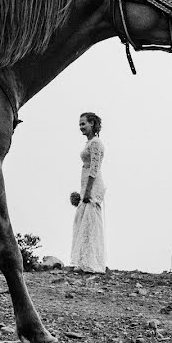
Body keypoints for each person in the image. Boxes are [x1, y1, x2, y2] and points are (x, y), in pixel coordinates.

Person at [70, 112, 106, 272]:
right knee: (83, 220)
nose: (81, 127)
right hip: (85, 183)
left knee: (90, 221)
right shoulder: (89, 143)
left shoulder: (96, 143)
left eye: (83, 124)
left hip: (93, 184)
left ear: (92, 124)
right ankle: (82, 260)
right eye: (79, 125)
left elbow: (95, 168)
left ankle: (92, 262)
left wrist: (88, 191)